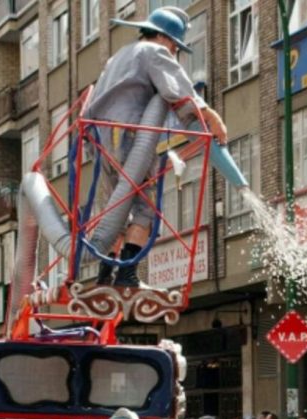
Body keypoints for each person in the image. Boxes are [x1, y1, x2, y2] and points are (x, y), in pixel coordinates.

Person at [86, 7, 227, 287]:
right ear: (167, 40)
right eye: (176, 47)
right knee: (145, 206)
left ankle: (104, 274)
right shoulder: (156, 53)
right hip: (132, 136)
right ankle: (127, 274)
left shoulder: (118, 57)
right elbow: (177, 89)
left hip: (101, 141)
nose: (174, 53)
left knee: (114, 205)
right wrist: (211, 115)